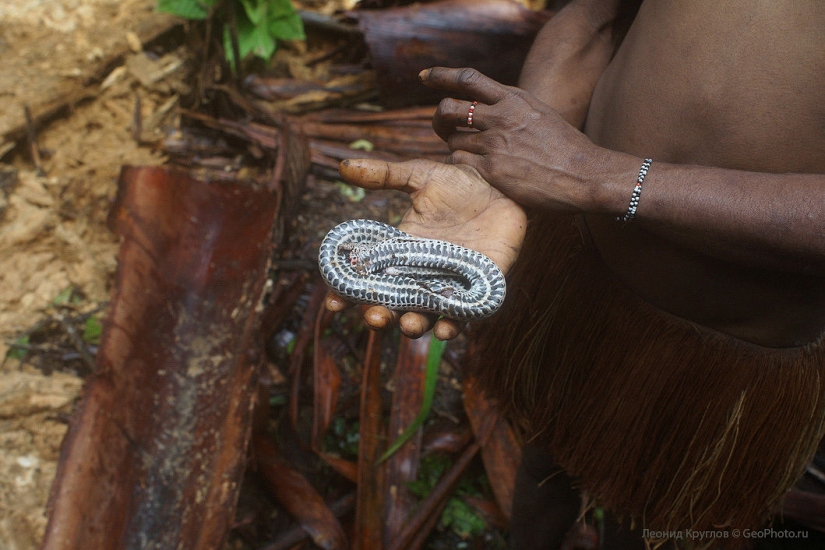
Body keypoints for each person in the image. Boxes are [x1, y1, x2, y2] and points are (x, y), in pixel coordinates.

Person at [327, 0, 825, 547]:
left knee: (645, 522)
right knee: (544, 451)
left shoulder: (592, 180)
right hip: (580, 271)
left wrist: (598, 177)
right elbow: (593, 17)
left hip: (733, 355)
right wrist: (494, 172)